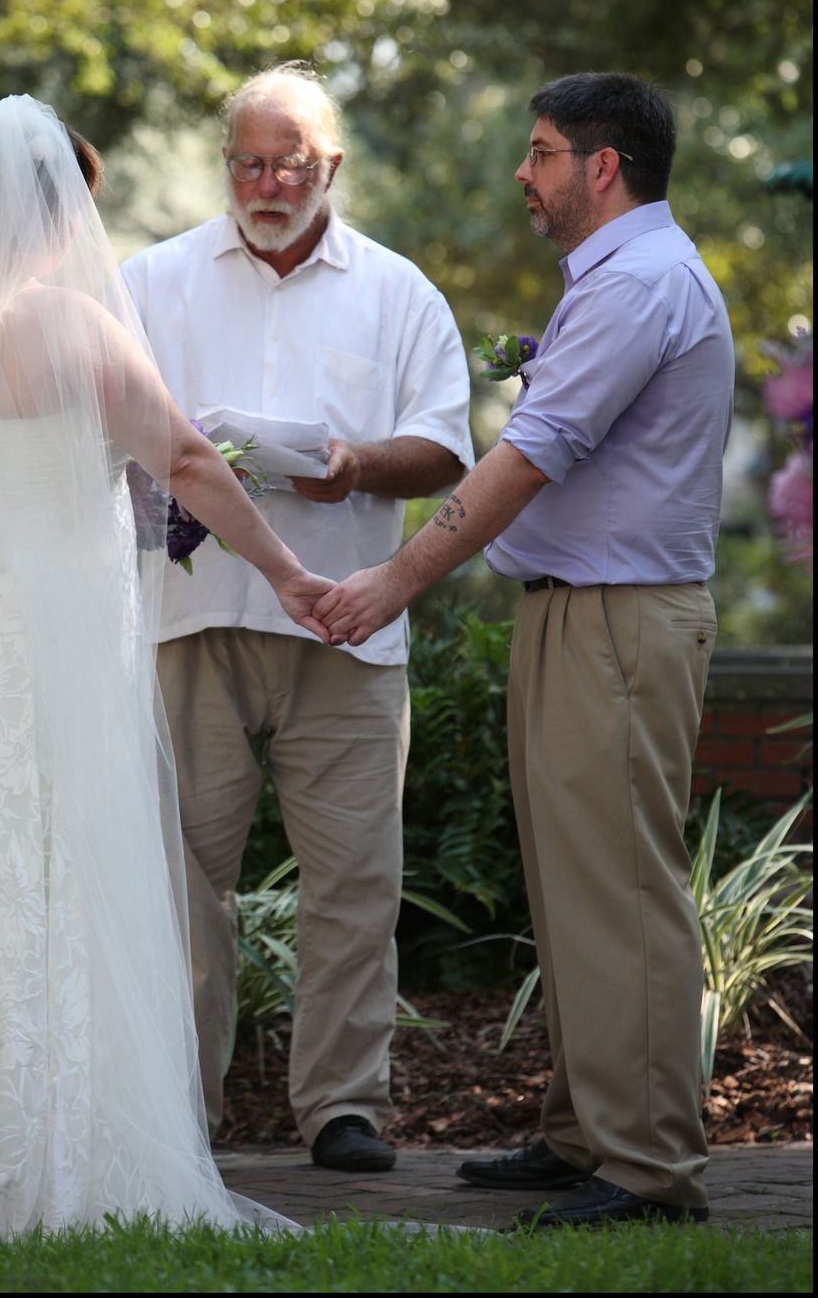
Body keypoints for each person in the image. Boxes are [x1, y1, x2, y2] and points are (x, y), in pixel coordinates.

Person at [0, 96, 333, 1242]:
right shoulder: (77, 328)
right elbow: (187, 458)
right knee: (55, 866)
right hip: (44, 622)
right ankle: (52, 1156)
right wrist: (287, 572)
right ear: (58, 207)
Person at [315, 72, 734, 1226]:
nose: (524, 172)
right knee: (571, 886)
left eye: (541, 151)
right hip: (579, 614)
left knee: (620, 888)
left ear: (603, 167)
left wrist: (392, 579)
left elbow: (526, 457)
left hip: (616, 619)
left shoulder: (638, 281)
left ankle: (647, 1166)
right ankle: (583, 1129)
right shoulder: (619, 277)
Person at [121, 63, 474, 1172]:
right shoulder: (151, 279)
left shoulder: (399, 291)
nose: (266, 182)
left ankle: (341, 1108)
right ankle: (182, 1108)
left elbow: (447, 446)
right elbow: (106, 431)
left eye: (289, 163)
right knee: (182, 878)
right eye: (247, 161)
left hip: (346, 623)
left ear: (332, 167)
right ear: (227, 162)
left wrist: (356, 462)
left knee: (356, 881)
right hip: (191, 615)